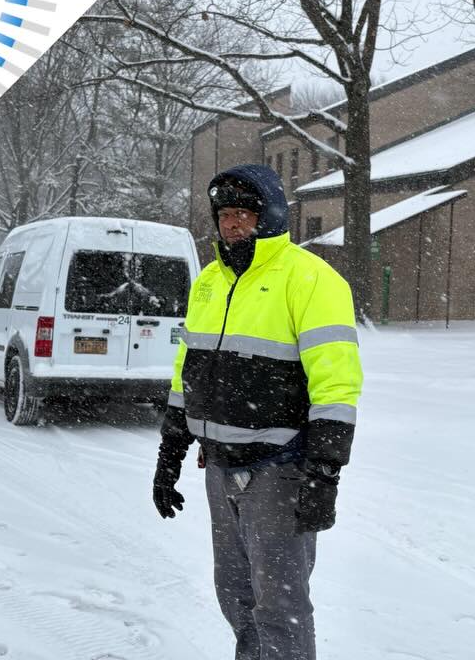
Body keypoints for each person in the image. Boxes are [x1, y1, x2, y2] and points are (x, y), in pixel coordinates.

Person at [153, 165, 362, 660]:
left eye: (242, 214)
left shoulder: (311, 279)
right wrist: (170, 453)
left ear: (267, 217)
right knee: (235, 594)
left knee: (280, 603)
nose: (231, 225)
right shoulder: (209, 280)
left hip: (280, 468)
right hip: (220, 467)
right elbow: (189, 369)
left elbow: (336, 383)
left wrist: (325, 472)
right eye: (224, 215)